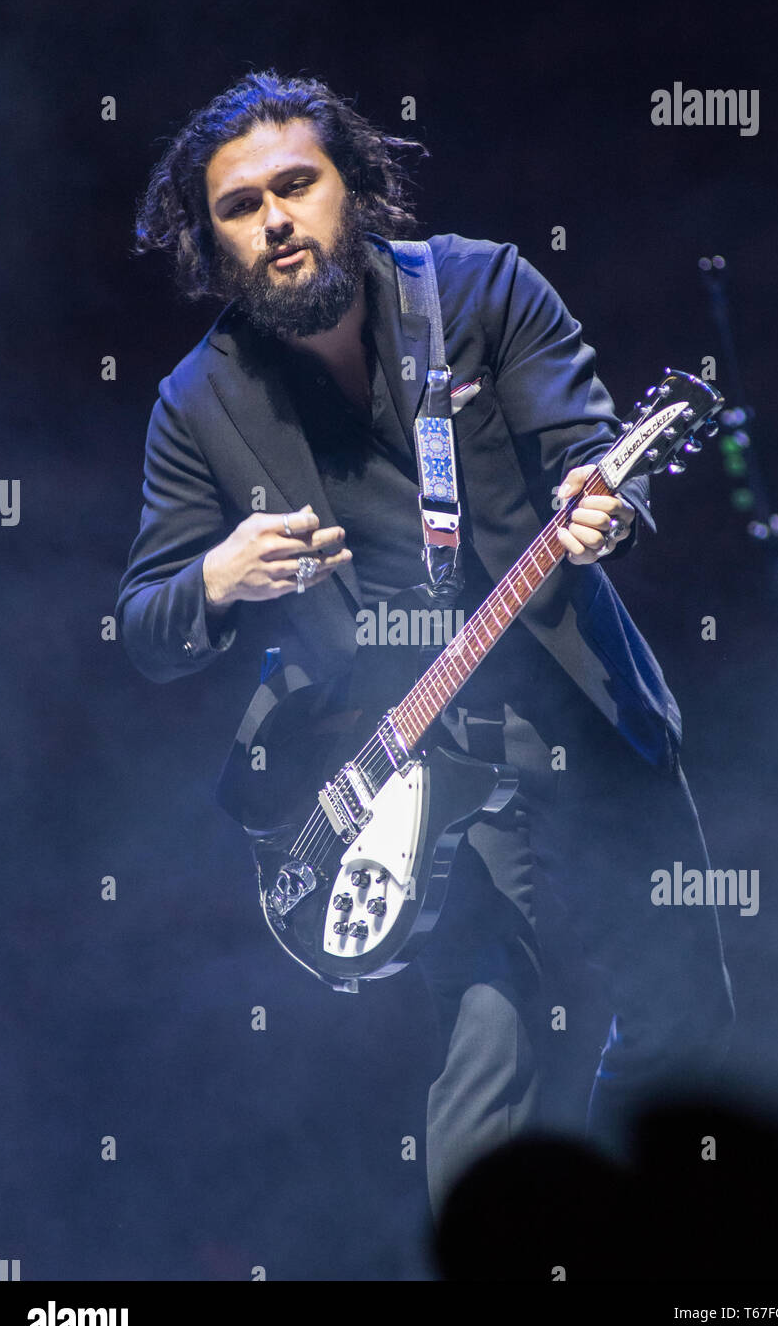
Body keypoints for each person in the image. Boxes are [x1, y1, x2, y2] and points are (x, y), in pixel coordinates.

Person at [117, 69, 735, 1219]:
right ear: (210, 240)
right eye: (240, 208)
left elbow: (589, 449)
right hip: (402, 768)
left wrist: (603, 508)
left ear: (352, 187)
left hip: (573, 710)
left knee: (681, 1031)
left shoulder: (482, 287)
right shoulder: (194, 404)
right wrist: (214, 574)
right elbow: (146, 624)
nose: (276, 222)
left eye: (296, 186)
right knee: (481, 1076)